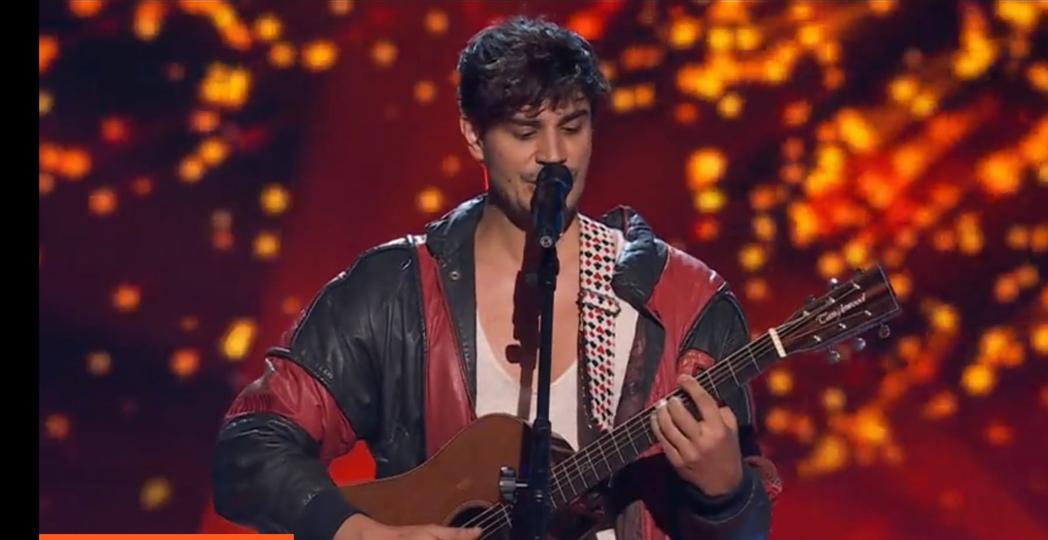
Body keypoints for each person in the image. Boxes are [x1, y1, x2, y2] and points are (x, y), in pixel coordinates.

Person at [212, 15, 781, 540]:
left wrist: (725, 492)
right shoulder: (394, 290)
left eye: (573, 127)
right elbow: (250, 448)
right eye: (525, 131)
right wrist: (359, 531)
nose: (553, 156)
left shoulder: (684, 302)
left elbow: (747, 528)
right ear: (473, 134)